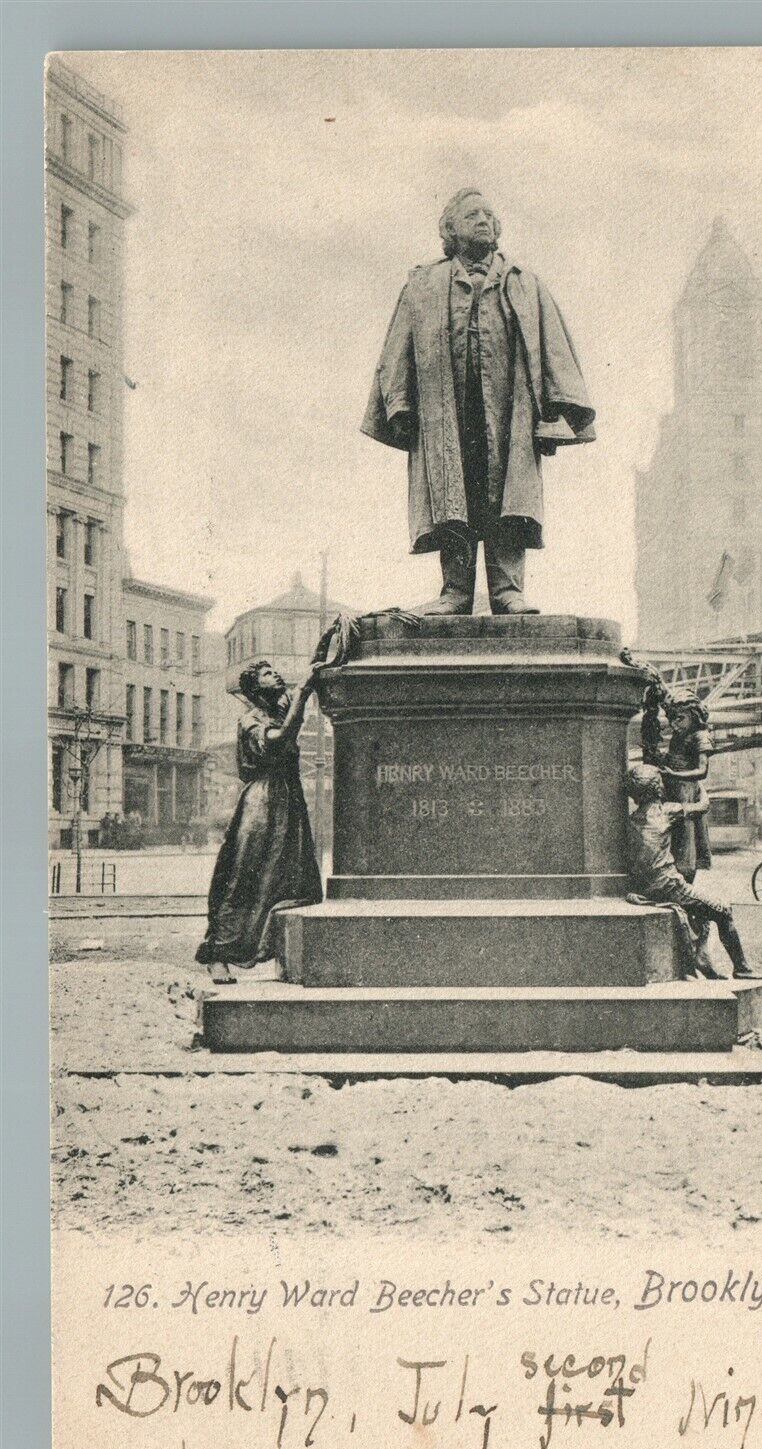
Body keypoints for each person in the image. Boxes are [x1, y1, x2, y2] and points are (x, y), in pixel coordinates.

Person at [362, 188, 595, 615]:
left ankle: (508, 589)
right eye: (472, 215)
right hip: (445, 409)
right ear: (450, 229)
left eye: (489, 214)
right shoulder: (423, 284)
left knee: (508, 496)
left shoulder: (525, 283)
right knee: (453, 496)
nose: (484, 220)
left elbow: (555, 349)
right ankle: (455, 591)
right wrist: (398, 404)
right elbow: (398, 348)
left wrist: (561, 412)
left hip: (510, 412)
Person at [195, 655, 325, 984]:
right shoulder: (251, 720)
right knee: (245, 876)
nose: (275, 673)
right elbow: (278, 741)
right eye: (266, 673)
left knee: (291, 878)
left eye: (273, 670)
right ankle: (218, 954)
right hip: (262, 802)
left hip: (287, 801)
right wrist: (302, 695)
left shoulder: (280, 710)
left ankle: (284, 949)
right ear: (254, 689)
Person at [624, 763, 760, 981]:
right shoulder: (667, 810)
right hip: (670, 885)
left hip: (647, 886)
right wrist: (698, 785)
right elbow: (703, 806)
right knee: (723, 911)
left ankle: (703, 959)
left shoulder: (631, 820)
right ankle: (741, 968)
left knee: (702, 913)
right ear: (656, 787)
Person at [642, 685, 714, 878]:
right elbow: (675, 757)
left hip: (686, 792)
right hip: (671, 789)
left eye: (680, 718)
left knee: (685, 838)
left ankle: (684, 875)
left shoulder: (701, 736)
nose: (674, 724)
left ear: (694, 715)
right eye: (671, 719)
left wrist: (673, 773)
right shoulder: (678, 737)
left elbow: (702, 771)